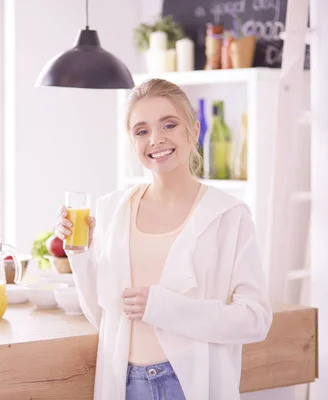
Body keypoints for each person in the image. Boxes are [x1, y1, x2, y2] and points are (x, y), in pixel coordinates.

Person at [55, 79, 272, 400]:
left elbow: (255, 320)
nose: (156, 140)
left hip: (186, 384)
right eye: (141, 131)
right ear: (131, 142)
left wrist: (164, 307)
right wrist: (80, 254)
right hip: (124, 382)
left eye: (168, 125)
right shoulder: (112, 209)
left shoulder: (229, 215)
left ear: (193, 130)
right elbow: (104, 316)